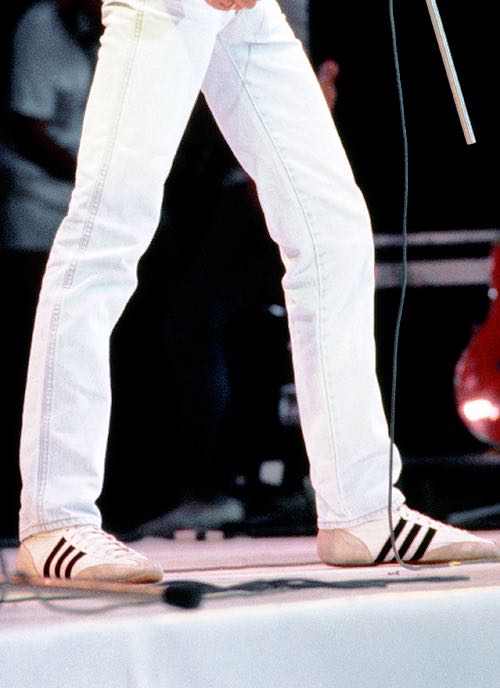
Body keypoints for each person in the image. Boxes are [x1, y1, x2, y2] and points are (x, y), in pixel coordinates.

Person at [16, 0, 499, 583]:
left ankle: (364, 509)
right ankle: (55, 517)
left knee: (333, 230)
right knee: (108, 229)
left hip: (248, 11)